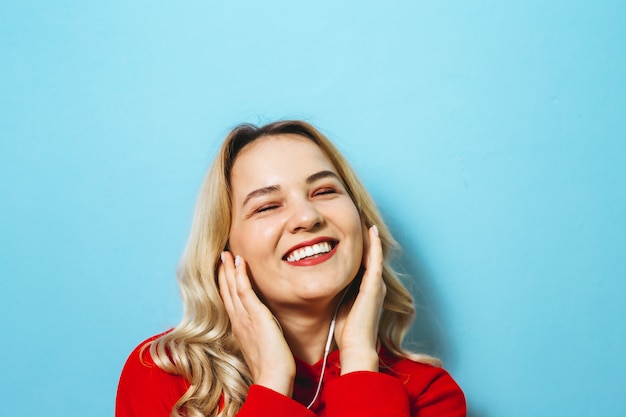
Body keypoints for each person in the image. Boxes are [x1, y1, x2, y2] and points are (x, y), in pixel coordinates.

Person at [115, 120, 466, 417]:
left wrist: (360, 360)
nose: (307, 217)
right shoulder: (166, 376)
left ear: (362, 223)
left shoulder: (428, 394)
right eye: (267, 206)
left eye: (325, 190)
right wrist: (273, 381)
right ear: (225, 248)